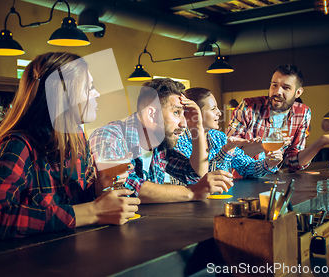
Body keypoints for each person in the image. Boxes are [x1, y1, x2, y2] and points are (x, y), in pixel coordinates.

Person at [0, 52, 140, 241]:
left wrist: (98, 189)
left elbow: (70, 202)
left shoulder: (76, 138)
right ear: (64, 94)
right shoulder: (19, 144)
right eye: (89, 87)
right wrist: (93, 211)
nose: (97, 93)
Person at [89, 78, 234, 203]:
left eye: (185, 114)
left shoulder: (160, 143)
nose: (184, 123)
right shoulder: (109, 136)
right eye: (177, 112)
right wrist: (192, 193)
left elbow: (194, 175)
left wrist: (197, 126)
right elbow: (121, 187)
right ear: (151, 114)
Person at [226, 64, 329, 172]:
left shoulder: (303, 113)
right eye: (274, 85)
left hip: (272, 180)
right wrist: (268, 144)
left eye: (286, 88)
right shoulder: (248, 107)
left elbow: (294, 161)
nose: (277, 92)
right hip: (239, 179)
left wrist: (322, 141)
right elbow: (228, 152)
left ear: (298, 92)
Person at [173, 87, 283, 182]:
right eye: (213, 109)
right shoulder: (179, 141)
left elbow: (246, 167)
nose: (219, 113)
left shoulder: (219, 137)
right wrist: (226, 150)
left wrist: (269, 163)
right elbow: (199, 179)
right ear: (194, 112)